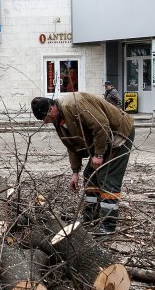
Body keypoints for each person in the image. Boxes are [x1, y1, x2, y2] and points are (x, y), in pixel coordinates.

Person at [31, 93, 135, 235]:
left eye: (45, 118)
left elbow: (101, 125)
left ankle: (108, 226)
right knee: (89, 175)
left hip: (118, 134)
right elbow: (71, 144)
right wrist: (75, 172)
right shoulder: (58, 118)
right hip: (103, 140)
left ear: (51, 109)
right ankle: (90, 217)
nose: (46, 122)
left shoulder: (74, 104)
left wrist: (98, 155)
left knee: (107, 177)